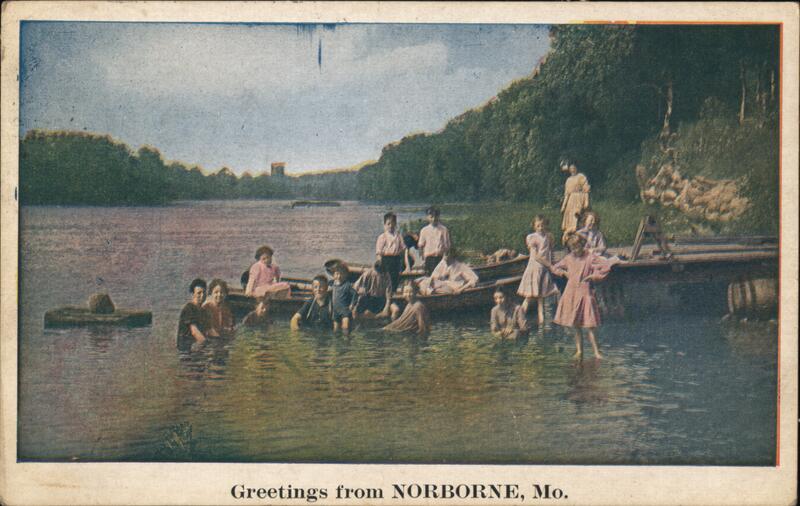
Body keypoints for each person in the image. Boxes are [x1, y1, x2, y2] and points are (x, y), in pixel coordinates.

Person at [547, 234, 613, 360]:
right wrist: (564, 273)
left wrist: (593, 276)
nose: (575, 250)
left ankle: (596, 352)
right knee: (575, 324)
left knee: (590, 325)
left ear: (582, 245)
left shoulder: (589, 256)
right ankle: (579, 350)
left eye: (577, 247)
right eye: (572, 248)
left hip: (585, 292)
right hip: (571, 292)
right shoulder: (568, 258)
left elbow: (605, 266)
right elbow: (554, 267)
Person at [517, 215, 560, 325]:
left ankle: (541, 321)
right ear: (534, 226)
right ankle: (518, 318)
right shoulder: (532, 237)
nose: (541, 228)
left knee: (541, 297)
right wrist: (550, 265)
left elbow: (550, 252)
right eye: (538, 226)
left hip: (544, 269)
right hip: (535, 269)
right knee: (529, 296)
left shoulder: (549, 236)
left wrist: (553, 265)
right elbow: (536, 256)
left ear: (546, 225)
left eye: (543, 225)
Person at [560, 162, 591, 244]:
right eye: (571, 168)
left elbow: (586, 190)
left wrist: (586, 201)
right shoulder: (568, 180)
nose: (572, 170)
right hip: (570, 201)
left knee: (577, 218)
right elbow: (567, 194)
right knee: (570, 221)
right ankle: (569, 240)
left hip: (579, 199)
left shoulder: (581, 176)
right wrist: (563, 205)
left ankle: (581, 240)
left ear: (576, 168)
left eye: (574, 168)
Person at [417, 206, 452, 276]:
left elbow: (447, 246)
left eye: (436, 216)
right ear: (427, 217)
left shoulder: (444, 229)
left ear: (438, 216)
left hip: (440, 258)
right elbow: (420, 246)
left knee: (441, 278)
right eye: (431, 217)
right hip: (429, 259)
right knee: (430, 278)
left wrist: (445, 258)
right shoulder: (424, 230)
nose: (434, 219)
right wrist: (422, 259)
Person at [375, 212, 406, 291]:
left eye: (393, 223)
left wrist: (403, 262)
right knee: (386, 280)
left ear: (395, 224)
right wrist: (379, 262)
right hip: (386, 260)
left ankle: (394, 294)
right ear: (384, 225)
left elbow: (403, 249)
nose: (391, 226)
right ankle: (386, 296)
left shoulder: (398, 236)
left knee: (395, 279)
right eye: (388, 224)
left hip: (396, 260)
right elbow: (379, 252)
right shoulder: (382, 237)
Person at [177, 278, 209, 350]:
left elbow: (209, 330)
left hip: (197, 347)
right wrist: (208, 346)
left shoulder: (203, 311)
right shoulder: (189, 309)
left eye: (204, 292)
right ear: (192, 294)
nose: (202, 295)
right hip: (187, 351)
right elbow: (194, 332)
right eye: (199, 293)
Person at [330, 263, 357, 333]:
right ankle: (336, 342)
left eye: (341, 274)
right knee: (335, 329)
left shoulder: (347, 285)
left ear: (345, 275)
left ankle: (346, 342)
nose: (339, 276)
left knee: (345, 327)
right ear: (333, 275)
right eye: (336, 274)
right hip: (335, 311)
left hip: (345, 310)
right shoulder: (332, 284)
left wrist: (352, 304)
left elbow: (355, 294)